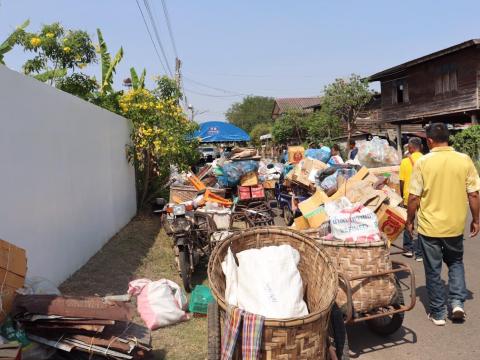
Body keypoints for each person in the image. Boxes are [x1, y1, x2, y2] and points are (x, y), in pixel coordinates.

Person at [406, 123, 480, 326]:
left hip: (430, 227)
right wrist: (476, 219)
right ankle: (457, 303)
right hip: (455, 226)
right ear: (449, 138)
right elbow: (473, 193)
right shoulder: (464, 160)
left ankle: (438, 313)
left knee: (433, 270)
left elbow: (414, 197)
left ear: (429, 141)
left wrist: (409, 221)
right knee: (456, 263)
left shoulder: (423, 162)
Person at [399, 137, 424, 260]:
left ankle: (408, 249)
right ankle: (420, 253)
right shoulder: (426, 160)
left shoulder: (405, 162)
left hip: (408, 196)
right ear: (421, 147)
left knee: (408, 222)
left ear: (410, 148)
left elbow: (402, 181)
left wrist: (401, 195)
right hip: (423, 197)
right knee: (422, 225)